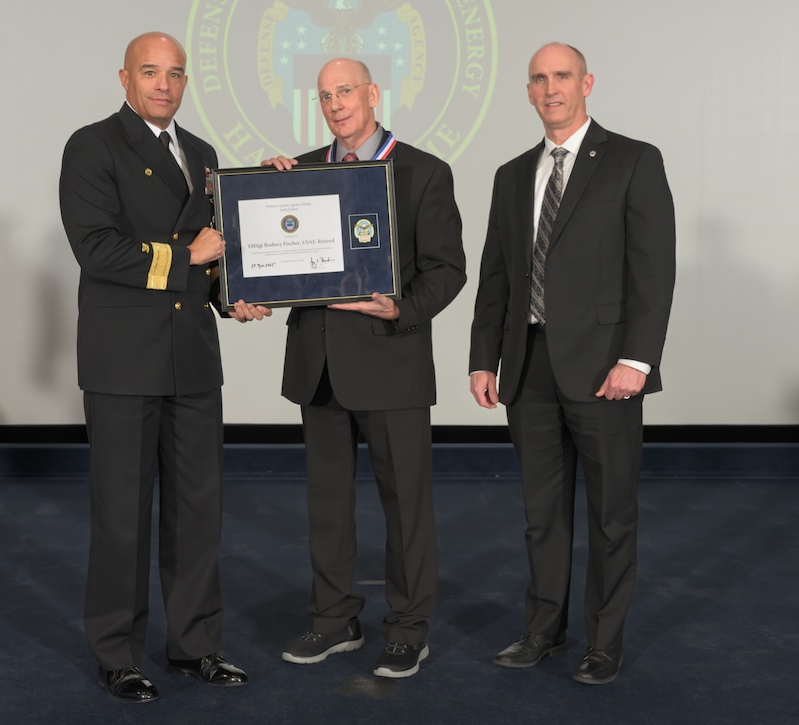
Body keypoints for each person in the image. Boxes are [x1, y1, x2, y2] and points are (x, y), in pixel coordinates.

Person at [58, 31, 269, 703]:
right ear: (124, 77)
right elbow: (98, 251)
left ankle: (196, 644)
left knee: (198, 512)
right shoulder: (92, 146)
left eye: (175, 74)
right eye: (150, 72)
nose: (163, 84)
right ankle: (117, 653)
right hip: (123, 363)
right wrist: (191, 258)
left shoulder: (202, 154)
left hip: (191, 361)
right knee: (123, 514)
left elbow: (209, 265)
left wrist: (232, 298)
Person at [468, 42, 675, 685]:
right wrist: (483, 359)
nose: (550, 88)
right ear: (528, 92)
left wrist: (637, 359)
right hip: (527, 369)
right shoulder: (510, 174)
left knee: (612, 515)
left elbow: (653, 269)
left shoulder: (634, 161)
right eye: (538, 79)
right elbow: (495, 277)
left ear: (587, 83)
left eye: (562, 77)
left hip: (604, 370)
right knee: (542, 514)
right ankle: (543, 629)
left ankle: (603, 642)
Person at [263, 58, 466, 679]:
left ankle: (407, 628)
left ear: (373, 94)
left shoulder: (425, 171)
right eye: (325, 95)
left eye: (346, 91)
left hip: (390, 361)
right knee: (327, 506)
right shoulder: (298, 171)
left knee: (406, 506)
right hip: (318, 365)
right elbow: (277, 256)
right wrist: (264, 195)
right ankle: (333, 619)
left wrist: (401, 306)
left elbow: (448, 269)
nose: (335, 103)